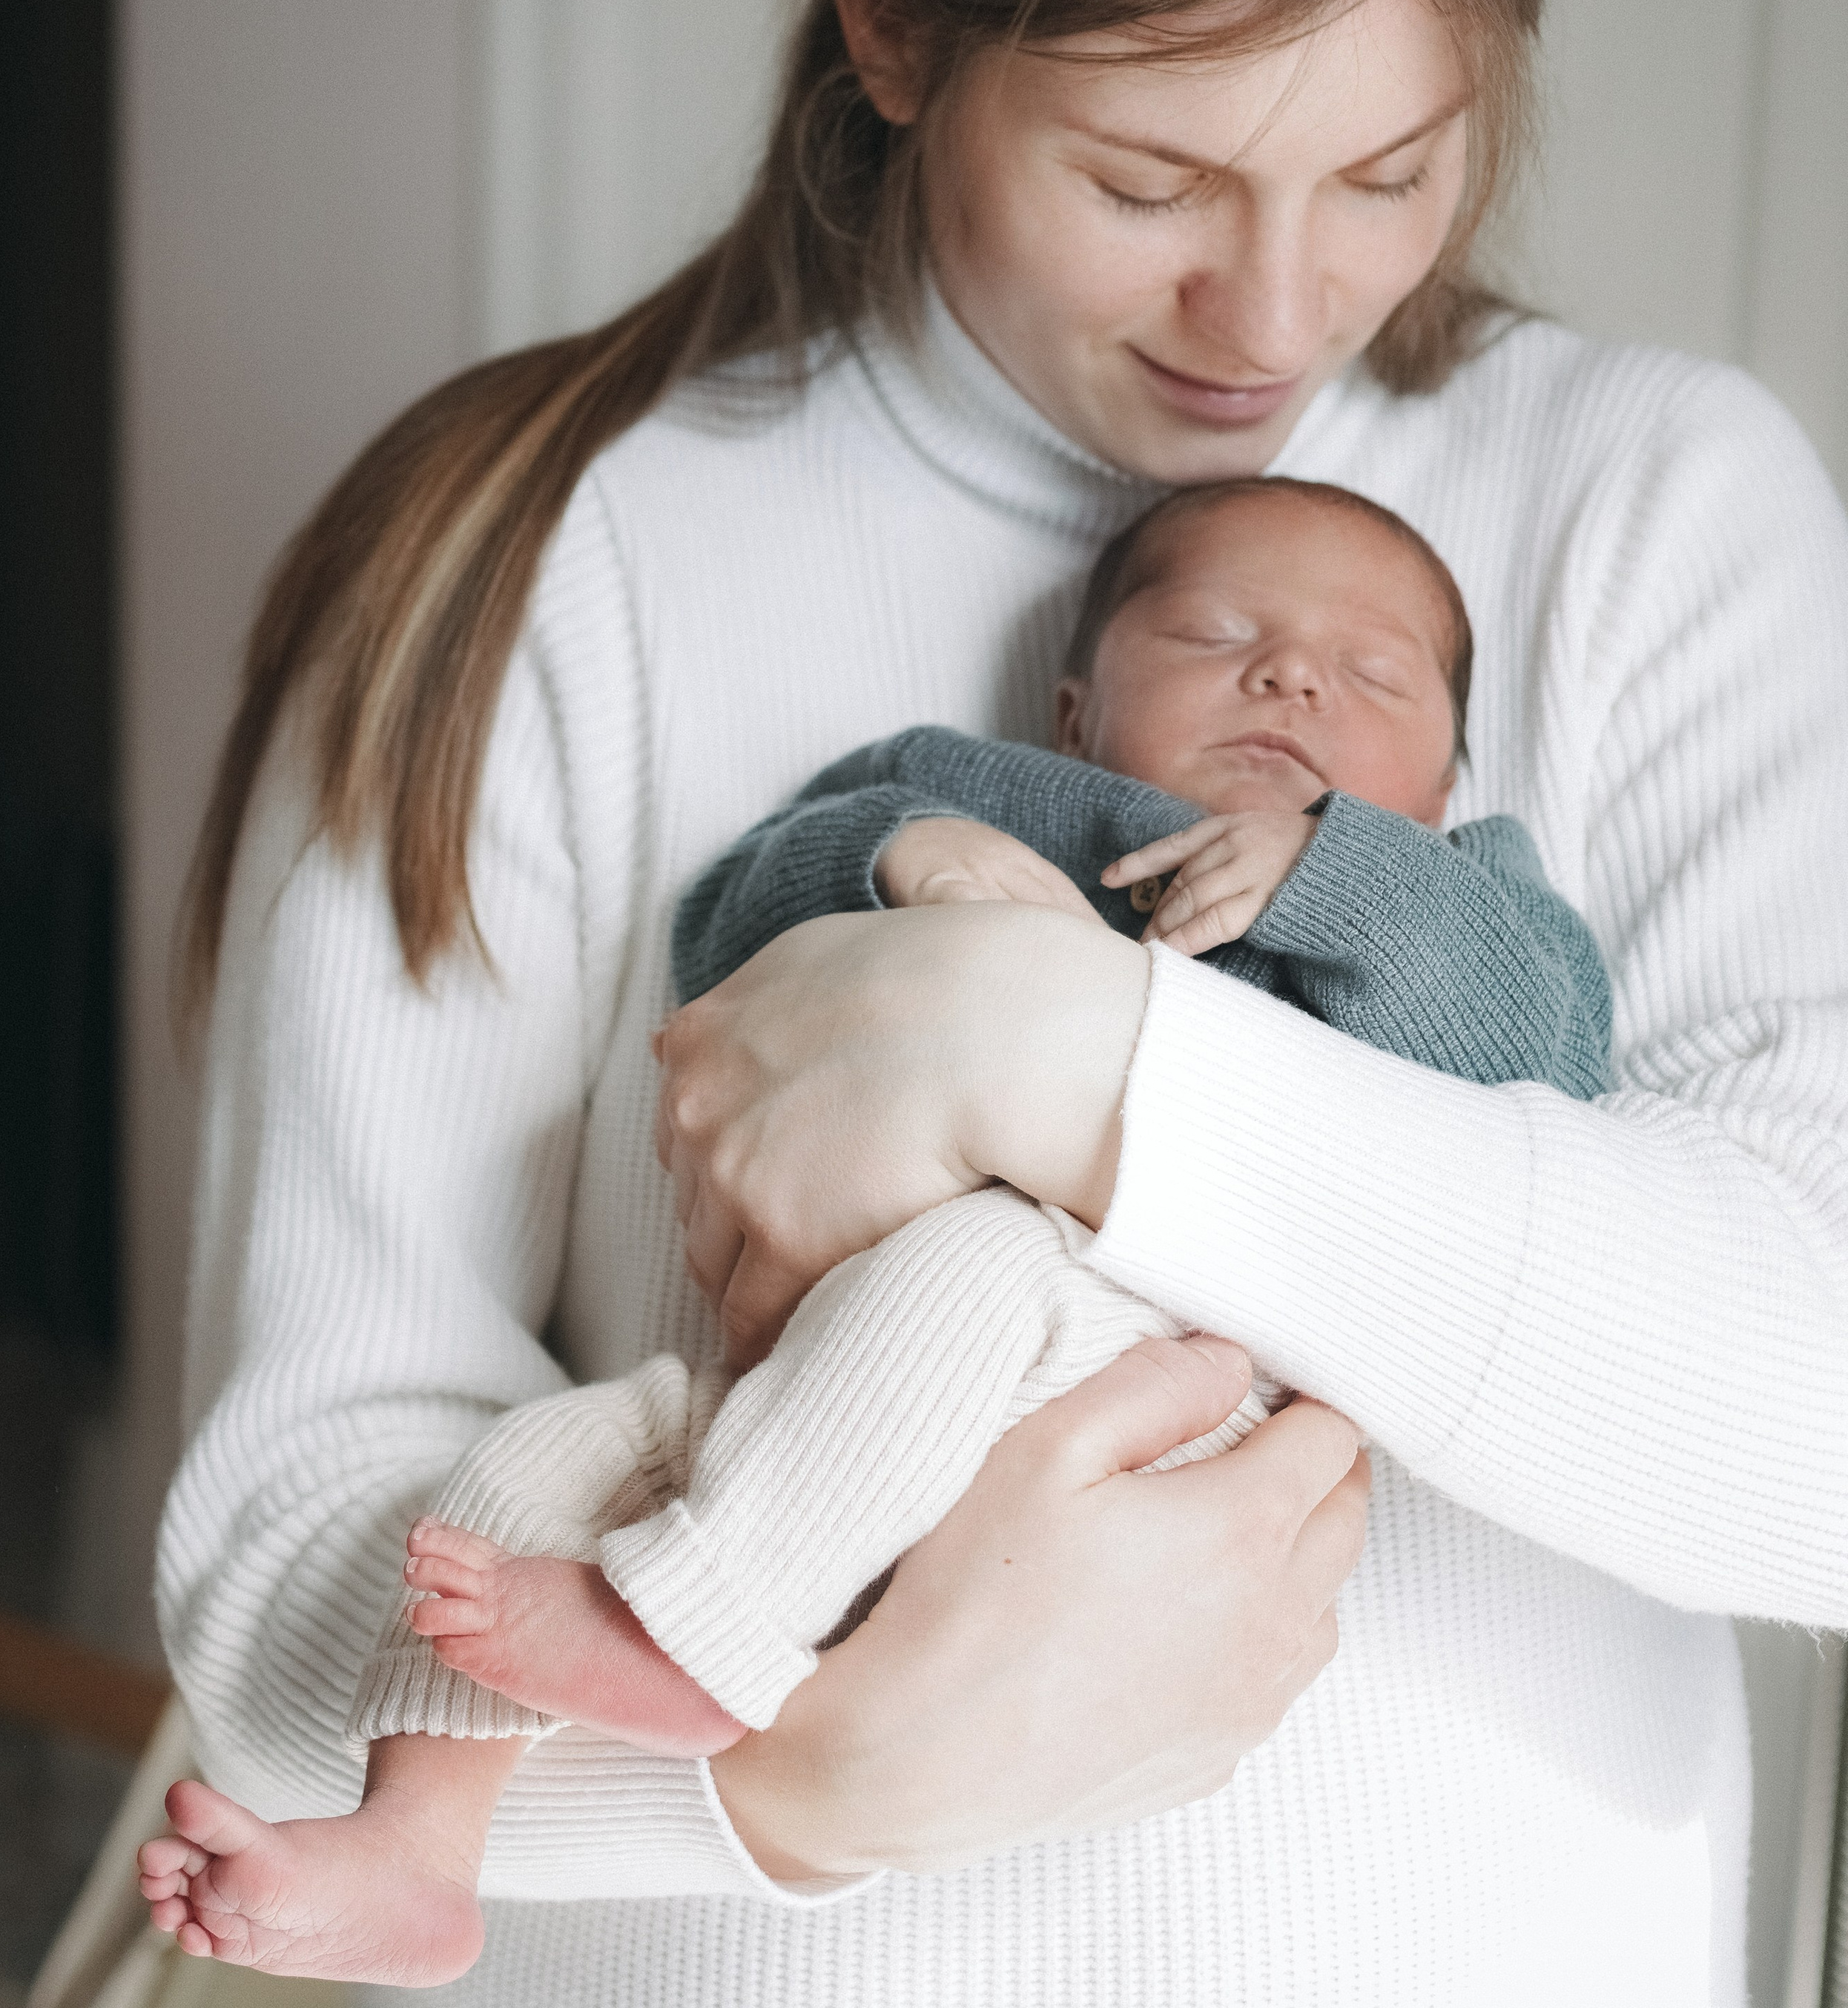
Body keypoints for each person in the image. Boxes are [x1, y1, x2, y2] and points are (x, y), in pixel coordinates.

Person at [152, 0, 1848, 2008]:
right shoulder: (543, 561)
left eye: (1392, 168)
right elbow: (291, 1589)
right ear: (890, 19)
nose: (1274, 310)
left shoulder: (1646, 510)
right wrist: (801, 1799)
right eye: (1149, 172)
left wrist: (1087, 1059)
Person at [136, 472, 1614, 1981]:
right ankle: (419, 1841)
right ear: (1070, 705)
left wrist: (1342, 872)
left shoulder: (1457, 892)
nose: (1289, 672)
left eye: (1373, 673)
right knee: (545, 1462)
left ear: (1444, 782)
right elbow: (732, 909)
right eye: (1211, 630)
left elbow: (1546, 1055)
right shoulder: (985, 789)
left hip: (1136, 1370)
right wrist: (899, 855)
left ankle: (681, 1640)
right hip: (812, 1397)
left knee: (971, 1262)